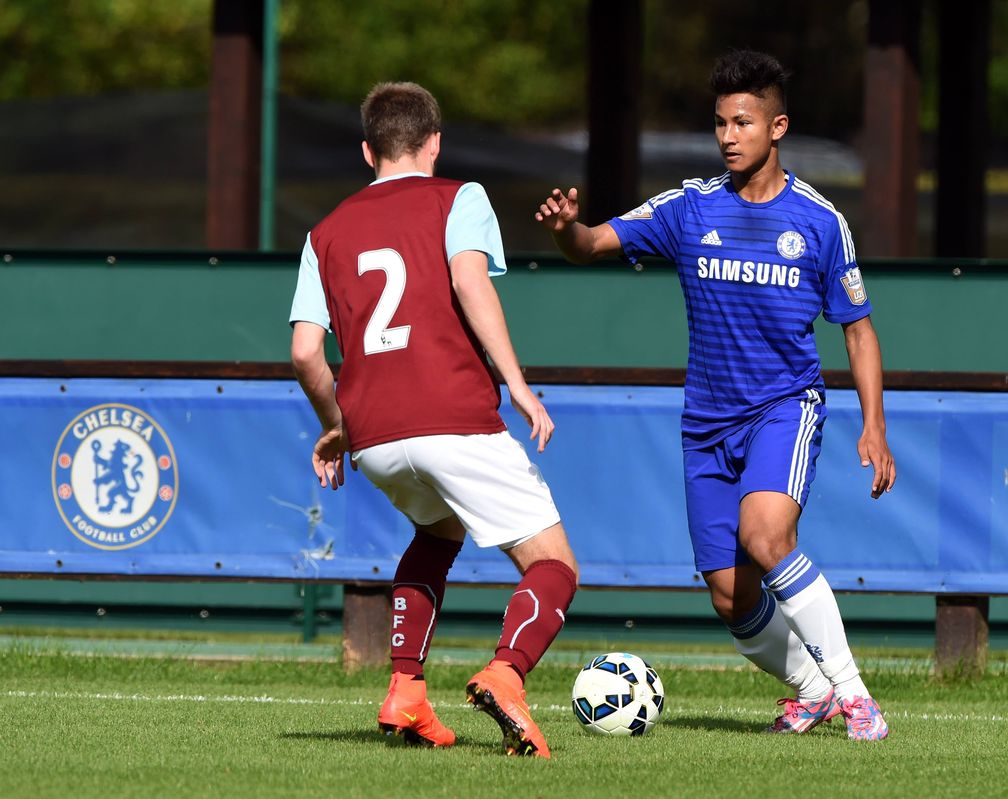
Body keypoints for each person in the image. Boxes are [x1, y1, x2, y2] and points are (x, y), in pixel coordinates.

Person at [535, 49, 896, 741]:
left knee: (766, 535)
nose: (728, 136)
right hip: (705, 423)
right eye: (719, 124)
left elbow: (859, 332)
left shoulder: (820, 222)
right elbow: (593, 242)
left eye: (742, 122)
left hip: (784, 408)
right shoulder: (688, 206)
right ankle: (813, 689)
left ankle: (856, 698)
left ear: (777, 126)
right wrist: (564, 233)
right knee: (732, 596)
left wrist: (874, 427)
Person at [290, 81, 578, 759]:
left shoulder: (324, 231)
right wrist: (520, 386)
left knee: (437, 529)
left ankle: (406, 692)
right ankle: (506, 673)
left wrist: (337, 423)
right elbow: (471, 283)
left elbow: (306, 351)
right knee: (554, 564)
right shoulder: (461, 197)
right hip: (450, 414)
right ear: (436, 143)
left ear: (368, 150)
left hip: (376, 435)